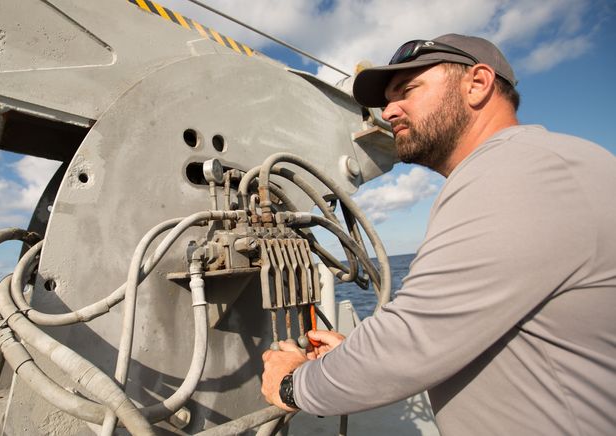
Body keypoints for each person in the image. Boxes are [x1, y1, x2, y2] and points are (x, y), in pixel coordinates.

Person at [261, 33, 616, 435]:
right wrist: (351, 356)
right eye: (387, 101)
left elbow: (410, 343)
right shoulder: (542, 161)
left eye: (407, 91)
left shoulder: (517, 172)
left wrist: (293, 383)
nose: (389, 111)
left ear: (477, 84)